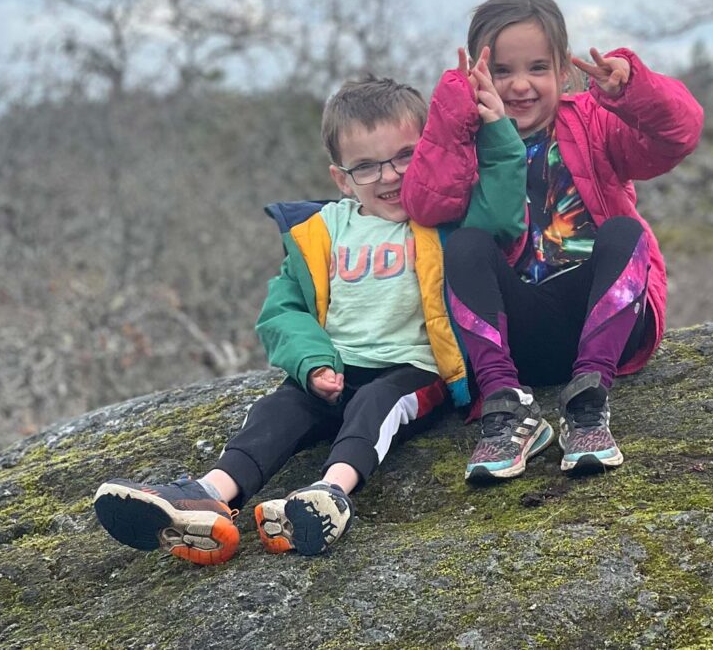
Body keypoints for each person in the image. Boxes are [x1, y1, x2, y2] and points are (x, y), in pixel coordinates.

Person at [93, 75, 525, 563]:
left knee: (378, 406)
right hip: (333, 371)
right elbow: (283, 311)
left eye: (405, 155)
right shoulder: (319, 231)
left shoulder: (445, 219)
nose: (389, 176)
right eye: (366, 166)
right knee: (276, 412)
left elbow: (505, 218)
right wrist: (312, 362)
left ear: (428, 150)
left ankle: (330, 494)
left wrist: (498, 134)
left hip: (415, 370)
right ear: (341, 177)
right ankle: (209, 494)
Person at [401, 0, 703, 481]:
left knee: (627, 233)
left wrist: (633, 91)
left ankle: (588, 400)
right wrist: (453, 119)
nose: (520, 85)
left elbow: (677, 138)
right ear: (477, 74)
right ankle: (505, 406)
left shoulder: (593, 121)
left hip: (602, 324)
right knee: (466, 246)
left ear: (564, 71)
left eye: (538, 67)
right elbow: (425, 203)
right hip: (513, 335)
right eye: (501, 71)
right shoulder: (468, 141)